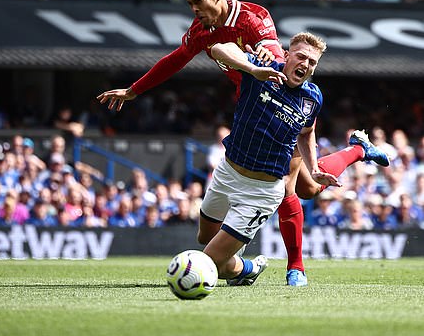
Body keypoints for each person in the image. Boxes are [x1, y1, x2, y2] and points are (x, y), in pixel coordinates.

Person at [96, 0, 390, 286]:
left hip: (280, 108)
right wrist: (134, 90)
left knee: (291, 190)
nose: (193, 9)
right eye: (190, 3)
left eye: (198, 1)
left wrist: (268, 57)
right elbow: (178, 59)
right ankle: (358, 148)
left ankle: (296, 268)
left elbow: (277, 57)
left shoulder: (252, 17)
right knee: (307, 187)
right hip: (251, 110)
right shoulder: (201, 30)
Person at [103, 29, 340, 284]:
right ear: (287, 54)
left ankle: (194, 283)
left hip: (261, 191)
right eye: (301, 56)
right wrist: (251, 70)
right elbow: (219, 48)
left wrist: (313, 167)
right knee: (205, 239)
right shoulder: (261, 67)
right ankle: (248, 268)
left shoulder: (312, 97)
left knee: (207, 261)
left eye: (312, 62)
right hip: (227, 173)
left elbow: (307, 132)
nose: (305, 64)